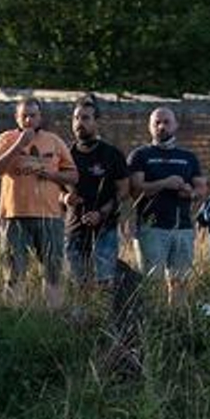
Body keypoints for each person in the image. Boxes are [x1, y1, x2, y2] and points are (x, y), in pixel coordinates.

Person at [0, 96, 76, 307]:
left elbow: (73, 176)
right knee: (13, 272)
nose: (28, 120)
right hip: (14, 215)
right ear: (16, 118)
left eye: (33, 116)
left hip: (50, 216)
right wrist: (20, 144)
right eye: (24, 116)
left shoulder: (54, 141)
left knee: (53, 272)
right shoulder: (6, 139)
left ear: (40, 117)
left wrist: (51, 175)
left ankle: (53, 315)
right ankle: (12, 314)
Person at [127, 107, 205, 306]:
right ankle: (153, 324)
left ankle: (175, 323)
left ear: (175, 125)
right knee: (152, 283)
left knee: (180, 282)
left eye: (166, 122)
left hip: (183, 228)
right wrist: (165, 183)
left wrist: (191, 192)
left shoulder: (188, 157)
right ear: (150, 127)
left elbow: (202, 189)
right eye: (157, 123)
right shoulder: (140, 155)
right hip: (151, 228)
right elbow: (135, 190)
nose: (161, 127)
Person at [65, 99, 129, 292]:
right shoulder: (65, 154)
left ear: (96, 122)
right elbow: (56, 188)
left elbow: (124, 190)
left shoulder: (112, 154)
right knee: (79, 285)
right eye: (76, 118)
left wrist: (101, 213)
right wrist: (64, 198)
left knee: (105, 283)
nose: (79, 123)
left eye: (85, 118)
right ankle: (83, 322)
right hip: (74, 229)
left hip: (105, 229)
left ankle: (105, 321)